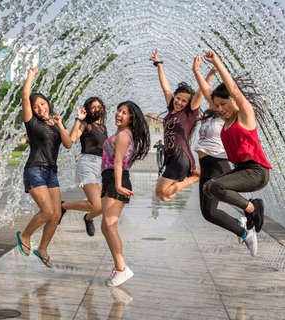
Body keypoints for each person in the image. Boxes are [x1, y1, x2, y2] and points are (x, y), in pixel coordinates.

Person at [193, 51, 271, 248]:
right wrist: (196, 71)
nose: (219, 108)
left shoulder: (245, 116)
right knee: (208, 188)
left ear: (234, 101)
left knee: (214, 187)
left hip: (256, 172)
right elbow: (207, 90)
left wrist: (217, 63)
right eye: (216, 105)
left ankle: (253, 208)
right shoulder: (225, 119)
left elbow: (234, 89)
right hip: (241, 170)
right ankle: (248, 212)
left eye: (223, 103)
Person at [16, 67, 72, 268]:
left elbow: (68, 144)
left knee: (56, 214)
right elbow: (24, 97)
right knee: (47, 211)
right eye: (36, 106)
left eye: (42, 104)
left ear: (47, 103)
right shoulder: (32, 123)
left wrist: (60, 124)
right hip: (35, 171)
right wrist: (30, 75)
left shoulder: (55, 122)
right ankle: (24, 235)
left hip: (51, 174)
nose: (41, 109)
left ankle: (43, 248)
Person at [101, 101, 150, 286]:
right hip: (111, 180)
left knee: (110, 227)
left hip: (115, 181)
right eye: (119, 110)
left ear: (131, 118)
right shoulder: (123, 133)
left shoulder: (123, 135)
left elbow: (118, 162)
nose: (119, 114)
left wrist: (119, 186)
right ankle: (119, 268)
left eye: (124, 112)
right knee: (106, 227)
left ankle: (122, 269)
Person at [150, 49, 202, 202]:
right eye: (178, 98)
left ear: (188, 103)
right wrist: (159, 64)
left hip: (181, 155)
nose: (179, 102)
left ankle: (193, 179)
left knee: (160, 191)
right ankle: (193, 175)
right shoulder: (172, 108)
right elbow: (165, 88)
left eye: (183, 101)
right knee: (164, 197)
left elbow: (199, 94)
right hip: (173, 156)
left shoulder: (189, 113)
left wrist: (205, 72)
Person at [61, 97, 108, 236]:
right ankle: (63, 206)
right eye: (93, 107)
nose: (96, 109)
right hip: (88, 164)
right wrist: (78, 119)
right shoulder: (86, 124)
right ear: (87, 110)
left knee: (104, 206)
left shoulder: (103, 127)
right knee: (96, 205)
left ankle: (88, 218)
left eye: (99, 106)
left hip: (101, 167)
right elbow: (72, 138)